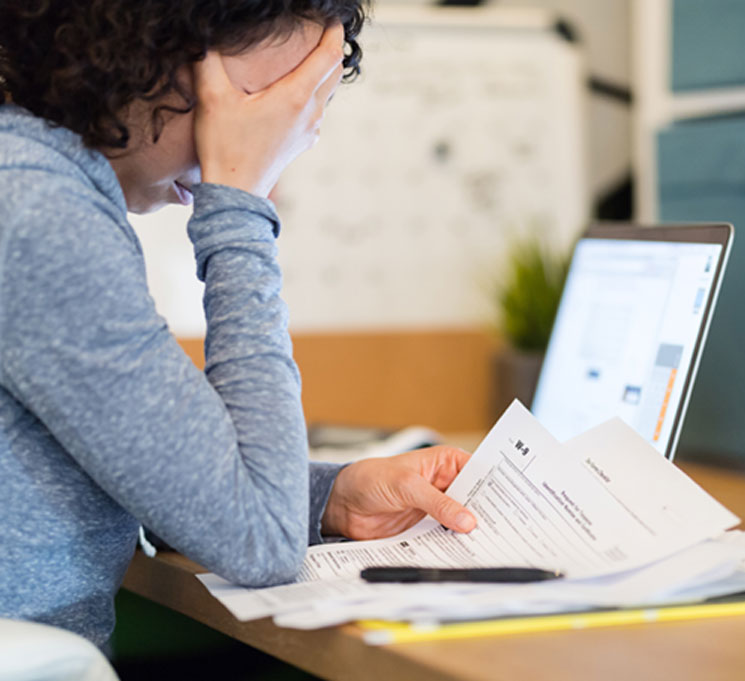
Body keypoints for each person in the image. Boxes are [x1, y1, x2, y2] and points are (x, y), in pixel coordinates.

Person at [0, 0, 477, 647]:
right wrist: (240, 201)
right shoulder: (35, 208)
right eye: (257, 105)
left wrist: (328, 496)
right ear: (153, 48)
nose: (280, 145)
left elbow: (158, 468)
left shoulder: (35, 176)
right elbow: (262, 540)